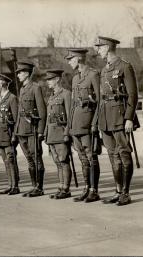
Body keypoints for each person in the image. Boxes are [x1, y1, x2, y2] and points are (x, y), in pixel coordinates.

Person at [95, 36, 139, 205]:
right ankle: (118, 190)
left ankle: (126, 193)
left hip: (120, 117)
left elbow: (132, 95)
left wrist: (129, 118)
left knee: (124, 154)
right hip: (106, 117)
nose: (97, 50)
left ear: (107, 47)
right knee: (113, 155)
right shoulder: (104, 69)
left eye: (99, 47)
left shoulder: (124, 66)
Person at [66, 48, 101, 203]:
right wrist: (69, 127)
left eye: (70, 59)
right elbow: (73, 104)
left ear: (79, 59)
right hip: (76, 124)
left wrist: (95, 123)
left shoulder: (93, 74)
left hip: (88, 124)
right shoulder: (75, 79)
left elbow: (99, 101)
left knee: (91, 157)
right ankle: (86, 188)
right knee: (82, 158)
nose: (69, 62)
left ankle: (94, 190)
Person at [14, 61, 47, 197]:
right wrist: (16, 130)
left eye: (20, 73)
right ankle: (34, 186)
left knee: (36, 158)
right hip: (22, 129)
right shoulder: (22, 89)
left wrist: (40, 131)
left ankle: (39, 187)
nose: (18, 75)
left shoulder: (35, 88)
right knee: (29, 159)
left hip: (32, 129)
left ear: (27, 73)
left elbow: (42, 111)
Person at [44, 69, 72, 199]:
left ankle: (66, 189)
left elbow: (69, 116)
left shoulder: (66, 94)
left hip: (61, 133)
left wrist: (67, 133)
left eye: (50, 80)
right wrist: (45, 133)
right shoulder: (51, 97)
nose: (48, 82)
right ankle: (61, 187)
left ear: (56, 80)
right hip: (51, 134)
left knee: (63, 161)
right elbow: (48, 118)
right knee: (57, 162)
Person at [0, 74, 20, 195]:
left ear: (3, 83)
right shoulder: (0, 98)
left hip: (8, 134)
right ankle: (10, 185)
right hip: (0, 134)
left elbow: (16, 118)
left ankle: (15, 186)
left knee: (11, 160)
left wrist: (14, 135)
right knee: (5, 160)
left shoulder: (12, 98)